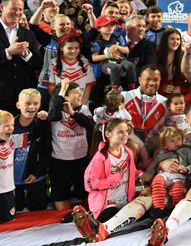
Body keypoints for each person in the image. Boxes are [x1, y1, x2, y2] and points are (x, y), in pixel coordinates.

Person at [74, 103, 191, 243]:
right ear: (187, 121)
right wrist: (164, 163)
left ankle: (164, 231)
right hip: (180, 184)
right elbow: (160, 155)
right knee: (150, 192)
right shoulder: (182, 137)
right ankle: (103, 229)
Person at [48, 78, 94, 212]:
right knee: (61, 208)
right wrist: (62, 90)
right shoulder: (54, 111)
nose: (80, 94)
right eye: (75, 92)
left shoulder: (84, 110)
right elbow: (53, 117)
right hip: (59, 163)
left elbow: (92, 126)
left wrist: (73, 114)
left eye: (79, 91)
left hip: (82, 161)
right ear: (65, 96)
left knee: (88, 202)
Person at [81, 118, 138, 222]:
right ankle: (90, 218)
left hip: (125, 201)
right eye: (120, 132)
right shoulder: (101, 157)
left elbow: (132, 173)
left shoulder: (128, 152)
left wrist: (142, 175)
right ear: (108, 134)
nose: (125, 134)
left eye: (126, 131)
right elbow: (90, 184)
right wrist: (115, 178)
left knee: (143, 210)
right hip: (107, 204)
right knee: (112, 215)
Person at [0, 0, 43, 115]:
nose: (17, 12)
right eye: (14, 8)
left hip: (24, 97)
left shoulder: (28, 34)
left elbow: (39, 63)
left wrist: (26, 55)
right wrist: (8, 52)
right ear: (2, 7)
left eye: (20, 9)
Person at [12, 89, 50, 212]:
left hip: (35, 177)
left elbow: (47, 151)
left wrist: (37, 173)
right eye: (27, 103)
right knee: (13, 213)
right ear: (18, 105)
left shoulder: (42, 124)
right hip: (11, 180)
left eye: (35, 103)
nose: (32, 107)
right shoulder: (8, 126)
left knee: (39, 211)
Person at [147, 127, 191, 212]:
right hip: (164, 174)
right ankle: (158, 208)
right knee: (157, 182)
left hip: (179, 176)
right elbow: (152, 166)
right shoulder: (161, 154)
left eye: (178, 139)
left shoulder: (187, 151)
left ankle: (178, 208)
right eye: (172, 141)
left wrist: (187, 169)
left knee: (177, 189)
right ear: (165, 145)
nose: (177, 142)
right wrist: (147, 179)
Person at [90, 15, 137, 91]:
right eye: (106, 25)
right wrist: (109, 56)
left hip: (120, 59)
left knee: (130, 65)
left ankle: (132, 89)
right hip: (105, 63)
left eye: (112, 25)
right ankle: (114, 90)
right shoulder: (96, 42)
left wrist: (118, 47)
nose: (110, 27)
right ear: (99, 28)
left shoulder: (117, 37)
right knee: (115, 68)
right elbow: (94, 58)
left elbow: (127, 50)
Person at [0, 109, 16, 223]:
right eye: (6, 125)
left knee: (8, 222)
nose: (11, 128)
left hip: (8, 189)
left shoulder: (12, 140)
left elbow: (33, 135)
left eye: (12, 125)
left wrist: (41, 120)